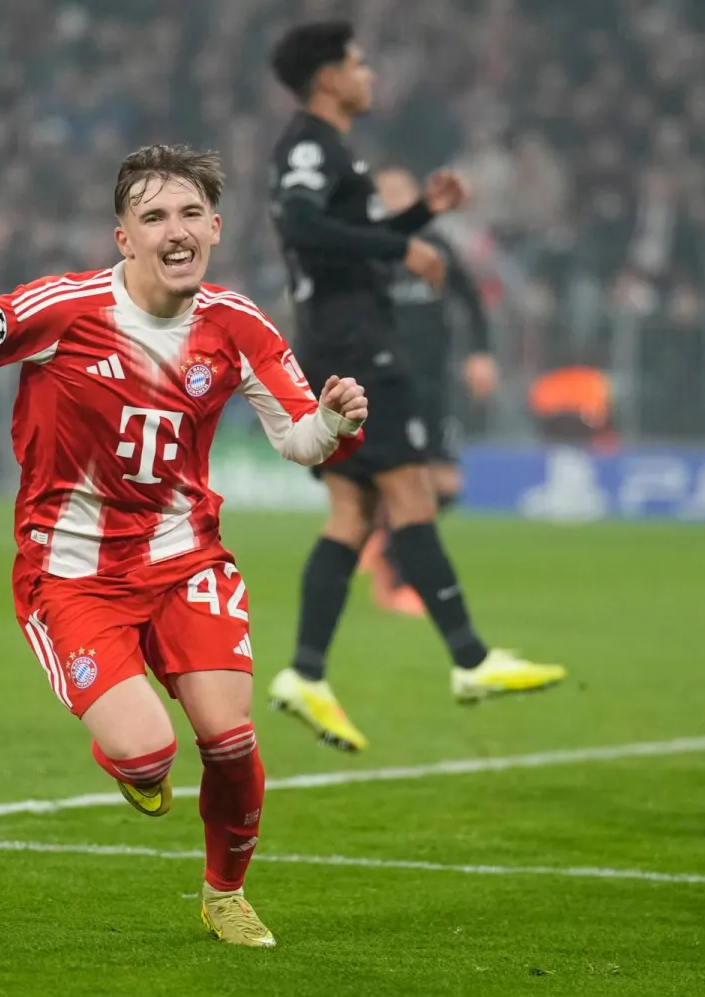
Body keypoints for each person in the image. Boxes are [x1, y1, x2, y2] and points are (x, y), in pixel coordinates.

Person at [0, 144, 369, 947]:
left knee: (229, 737)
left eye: (190, 214)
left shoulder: (237, 325)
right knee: (149, 756)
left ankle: (225, 894)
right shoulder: (65, 309)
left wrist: (333, 421)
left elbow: (298, 438)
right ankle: (134, 763)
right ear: (123, 237)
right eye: (153, 216)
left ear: (215, 228)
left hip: (186, 558)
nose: (175, 230)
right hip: (72, 576)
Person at [264, 20, 565, 754]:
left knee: (353, 510)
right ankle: (470, 658)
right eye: (359, 64)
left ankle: (306, 673)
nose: (370, 75)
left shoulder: (333, 152)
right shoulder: (310, 145)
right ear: (329, 77)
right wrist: (405, 244)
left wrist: (422, 214)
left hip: (337, 343)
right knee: (410, 495)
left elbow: (343, 240)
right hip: (358, 348)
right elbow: (303, 226)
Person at [357, 165, 499, 618]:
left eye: (402, 187)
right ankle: (400, 579)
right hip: (388, 384)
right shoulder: (367, 251)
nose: (396, 196)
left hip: (434, 383)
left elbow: (471, 299)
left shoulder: (435, 246)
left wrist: (480, 353)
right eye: (386, 190)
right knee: (410, 484)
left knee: (447, 486)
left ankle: (382, 541)